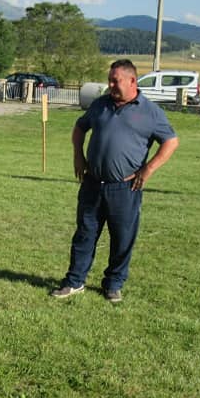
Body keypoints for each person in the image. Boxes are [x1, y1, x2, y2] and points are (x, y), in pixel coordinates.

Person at [51, 59, 178, 303]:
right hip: (92, 183)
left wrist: (148, 170)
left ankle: (113, 284)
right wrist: (78, 155)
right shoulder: (100, 104)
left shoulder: (150, 112)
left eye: (115, 80)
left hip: (125, 187)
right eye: (109, 79)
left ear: (132, 81)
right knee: (85, 234)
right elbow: (80, 128)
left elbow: (171, 142)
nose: (110, 85)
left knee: (122, 237)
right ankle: (75, 281)